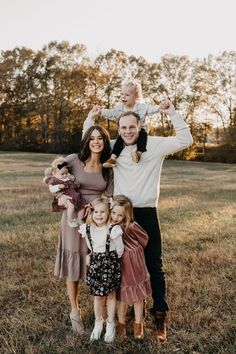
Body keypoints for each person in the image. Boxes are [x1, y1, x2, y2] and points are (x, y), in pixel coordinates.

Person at [84, 100, 193, 343]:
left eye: (132, 127)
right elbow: (88, 141)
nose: (127, 132)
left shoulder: (154, 145)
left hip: (146, 213)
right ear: (118, 128)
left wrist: (172, 113)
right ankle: (125, 316)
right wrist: (91, 118)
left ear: (140, 125)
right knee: (121, 265)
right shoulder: (114, 147)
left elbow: (186, 141)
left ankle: (159, 313)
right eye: (123, 128)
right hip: (120, 215)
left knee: (154, 265)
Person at [43, 117, 113, 334]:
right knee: (73, 263)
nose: (95, 142)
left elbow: (110, 195)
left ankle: (99, 314)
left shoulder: (108, 166)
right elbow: (50, 173)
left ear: (104, 142)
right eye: (91, 138)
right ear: (86, 141)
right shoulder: (73, 160)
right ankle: (75, 311)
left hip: (97, 219)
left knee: (96, 264)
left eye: (100, 138)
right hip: (73, 218)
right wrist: (61, 196)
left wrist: (102, 210)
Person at [79, 197, 124, 342]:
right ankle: (98, 322)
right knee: (97, 297)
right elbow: (91, 246)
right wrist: (91, 255)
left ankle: (111, 323)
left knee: (111, 296)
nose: (99, 215)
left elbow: (120, 250)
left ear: (108, 213)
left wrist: (108, 259)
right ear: (91, 213)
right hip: (95, 266)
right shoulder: (87, 229)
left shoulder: (113, 229)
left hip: (109, 266)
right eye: (96, 211)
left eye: (103, 212)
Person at [110, 195, 151, 340]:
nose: (116, 217)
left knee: (137, 298)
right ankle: (121, 324)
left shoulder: (132, 226)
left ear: (126, 215)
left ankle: (138, 324)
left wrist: (135, 251)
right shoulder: (108, 226)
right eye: (113, 213)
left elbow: (144, 239)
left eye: (120, 215)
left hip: (135, 263)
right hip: (121, 264)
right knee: (121, 297)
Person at [99, 78, 159, 167]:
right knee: (119, 140)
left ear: (136, 97)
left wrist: (160, 108)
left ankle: (138, 154)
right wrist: (101, 111)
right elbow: (112, 114)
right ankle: (113, 158)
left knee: (143, 135)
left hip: (140, 131)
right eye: (122, 94)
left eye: (127, 95)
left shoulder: (141, 107)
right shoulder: (120, 108)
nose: (123, 96)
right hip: (126, 134)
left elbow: (150, 109)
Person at [43, 156, 86, 227]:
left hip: (76, 195)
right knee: (71, 206)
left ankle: (79, 219)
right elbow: (51, 189)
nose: (65, 175)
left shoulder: (67, 178)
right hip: (67, 196)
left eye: (66, 173)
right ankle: (70, 220)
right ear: (54, 173)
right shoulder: (54, 180)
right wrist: (58, 187)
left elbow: (71, 179)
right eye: (62, 174)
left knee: (82, 205)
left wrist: (73, 181)